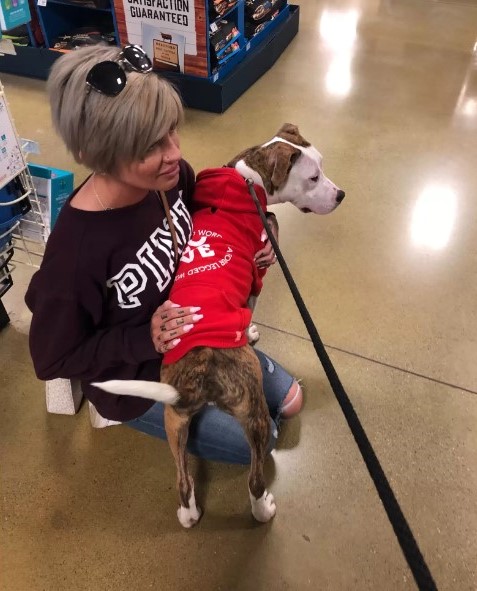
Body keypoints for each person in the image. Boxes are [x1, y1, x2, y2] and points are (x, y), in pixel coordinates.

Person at [25, 44, 303, 464]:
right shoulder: (76, 253)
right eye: (149, 146)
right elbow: (52, 359)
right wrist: (144, 338)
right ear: (95, 152)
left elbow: (211, 215)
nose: (174, 153)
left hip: (200, 332)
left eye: (173, 129)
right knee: (263, 441)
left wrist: (261, 235)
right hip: (138, 376)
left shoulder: (171, 179)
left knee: (291, 402)